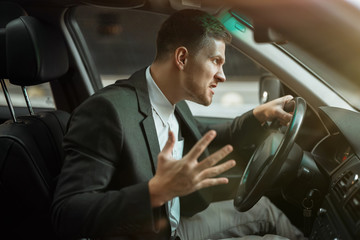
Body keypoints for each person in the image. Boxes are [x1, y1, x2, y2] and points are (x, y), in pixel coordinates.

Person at [51, 9, 306, 240]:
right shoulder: (108, 112)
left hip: (176, 226)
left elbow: (205, 136)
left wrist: (257, 115)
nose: (223, 75)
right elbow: (67, 215)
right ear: (182, 58)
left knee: (264, 209)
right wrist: (154, 192)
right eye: (216, 61)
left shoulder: (174, 101)